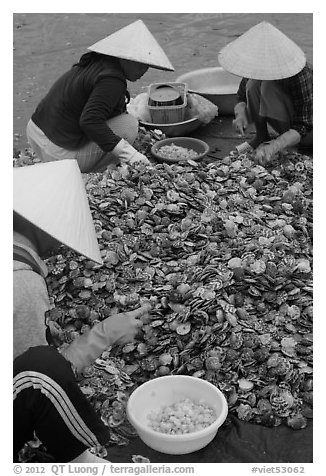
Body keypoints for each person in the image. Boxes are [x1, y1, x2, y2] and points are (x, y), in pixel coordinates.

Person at [13, 160, 153, 463]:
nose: (61, 245)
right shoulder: (21, 282)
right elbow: (30, 376)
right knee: (44, 369)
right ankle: (86, 462)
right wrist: (104, 334)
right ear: (41, 224)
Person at [26, 19, 174, 173]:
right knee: (128, 125)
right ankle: (87, 171)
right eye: (140, 64)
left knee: (115, 120)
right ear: (124, 58)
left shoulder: (98, 62)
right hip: (56, 152)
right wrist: (131, 156)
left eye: (147, 66)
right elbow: (90, 121)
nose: (144, 71)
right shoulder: (112, 80)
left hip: (37, 133)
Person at [218, 21, 313, 165]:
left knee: (267, 87)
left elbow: (304, 125)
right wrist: (240, 115)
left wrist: (276, 145)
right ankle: (262, 136)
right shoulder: (257, 67)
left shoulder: (301, 74)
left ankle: (287, 147)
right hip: (288, 126)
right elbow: (241, 97)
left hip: (309, 133)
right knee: (253, 83)